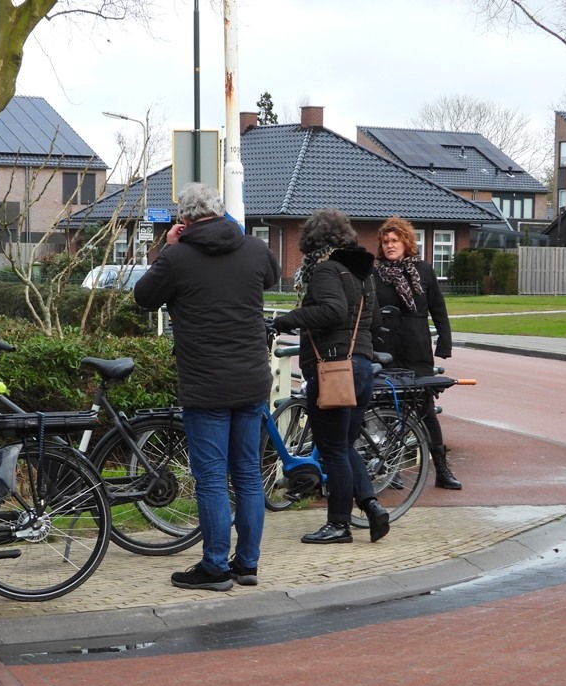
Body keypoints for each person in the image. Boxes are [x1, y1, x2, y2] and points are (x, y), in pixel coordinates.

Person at [134, 183, 278, 590]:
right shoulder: (254, 248)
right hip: (251, 380)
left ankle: (215, 566)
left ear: (184, 218)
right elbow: (270, 277)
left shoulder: (177, 257)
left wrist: (167, 247)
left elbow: (144, 297)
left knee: (212, 477)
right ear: (220, 211)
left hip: (206, 384)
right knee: (247, 473)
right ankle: (246, 564)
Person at [272, 209, 390, 545]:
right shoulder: (363, 273)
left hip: (333, 369)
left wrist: (285, 321)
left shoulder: (326, 270)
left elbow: (332, 311)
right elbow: (375, 322)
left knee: (332, 449)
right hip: (361, 367)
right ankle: (371, 505)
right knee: (342, 445)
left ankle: (339, 524)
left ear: (313, 242)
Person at [372, 217, 462, 489]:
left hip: (417, 347)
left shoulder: (423, 270)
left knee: (425, 409)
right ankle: (391, 466)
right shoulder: (374, 274)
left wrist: (444, 344)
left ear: (406, 242)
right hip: (387, 349)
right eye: (385, 242)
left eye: (394, 241)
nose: (389, 246)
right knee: (387, 408)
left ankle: (442, 470)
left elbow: (438, 309)